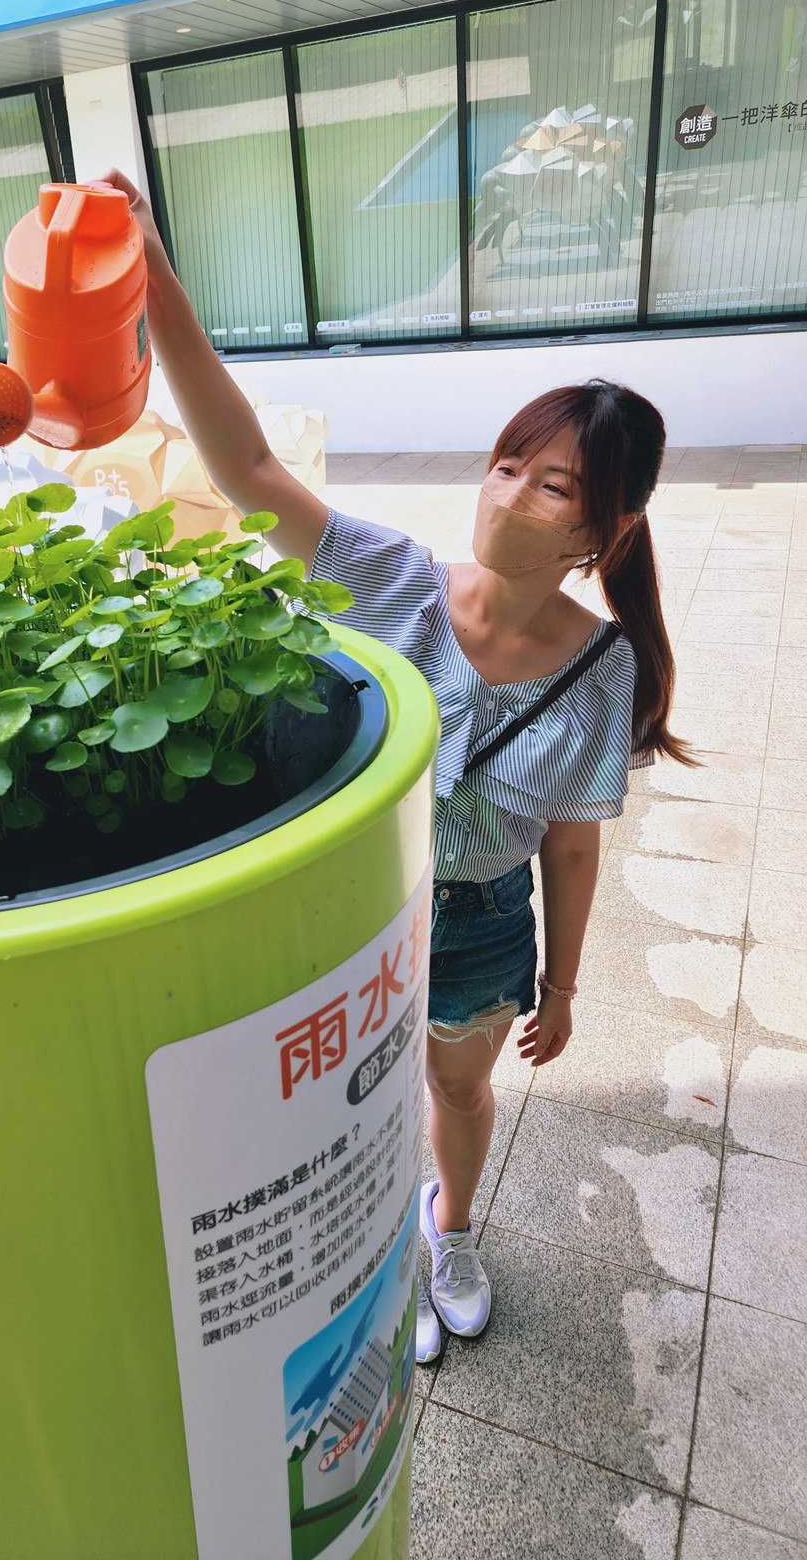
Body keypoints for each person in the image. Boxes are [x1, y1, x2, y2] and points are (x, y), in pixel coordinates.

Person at [95, 169, 698, 1365]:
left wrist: (566, 988)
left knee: (458, 1091)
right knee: (338, 1103)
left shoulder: (604, 671)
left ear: (601, 530)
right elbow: (246, 467)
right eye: (504, 463)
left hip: (477, 921)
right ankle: (364, 1270)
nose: (508, 493)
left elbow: (572, 842)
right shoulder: (389, 577)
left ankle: (452, 1230)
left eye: (553, 483)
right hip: (348, 898)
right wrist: (154, 274)